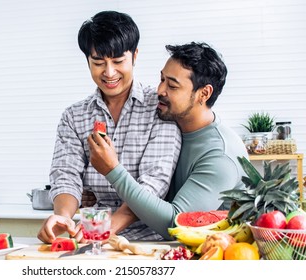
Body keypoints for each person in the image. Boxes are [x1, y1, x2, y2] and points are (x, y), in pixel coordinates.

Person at [37, 11, 181, 243]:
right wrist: (62, 216)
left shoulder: (160, 108)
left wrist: (104, 230)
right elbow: (66, 175)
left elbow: (153, 186)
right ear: (87, 62)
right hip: (90, 237)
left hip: (147, 241)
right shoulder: (74, 116)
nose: (109, 72)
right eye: (98, 63)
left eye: (117, 61)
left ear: (134, 56)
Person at [87, 42, 248, 240]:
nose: (160, 90)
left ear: (204, 94)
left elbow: (177, 225)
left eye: (172, 85)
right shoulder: (171, 126)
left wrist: (113, 171)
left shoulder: (221, 156)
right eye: (161, 79)